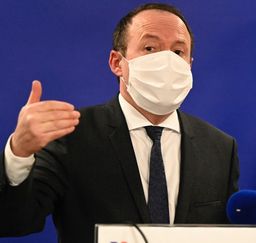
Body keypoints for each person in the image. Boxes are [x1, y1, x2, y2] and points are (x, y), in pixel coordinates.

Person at [0, 3, 239, 243]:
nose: (167, 61)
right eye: (150, 48)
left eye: (178, 52)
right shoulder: (72, 137)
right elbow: (14, 222)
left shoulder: (219, 148)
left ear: (189, 64)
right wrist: (19, 153)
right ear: (117, 62)